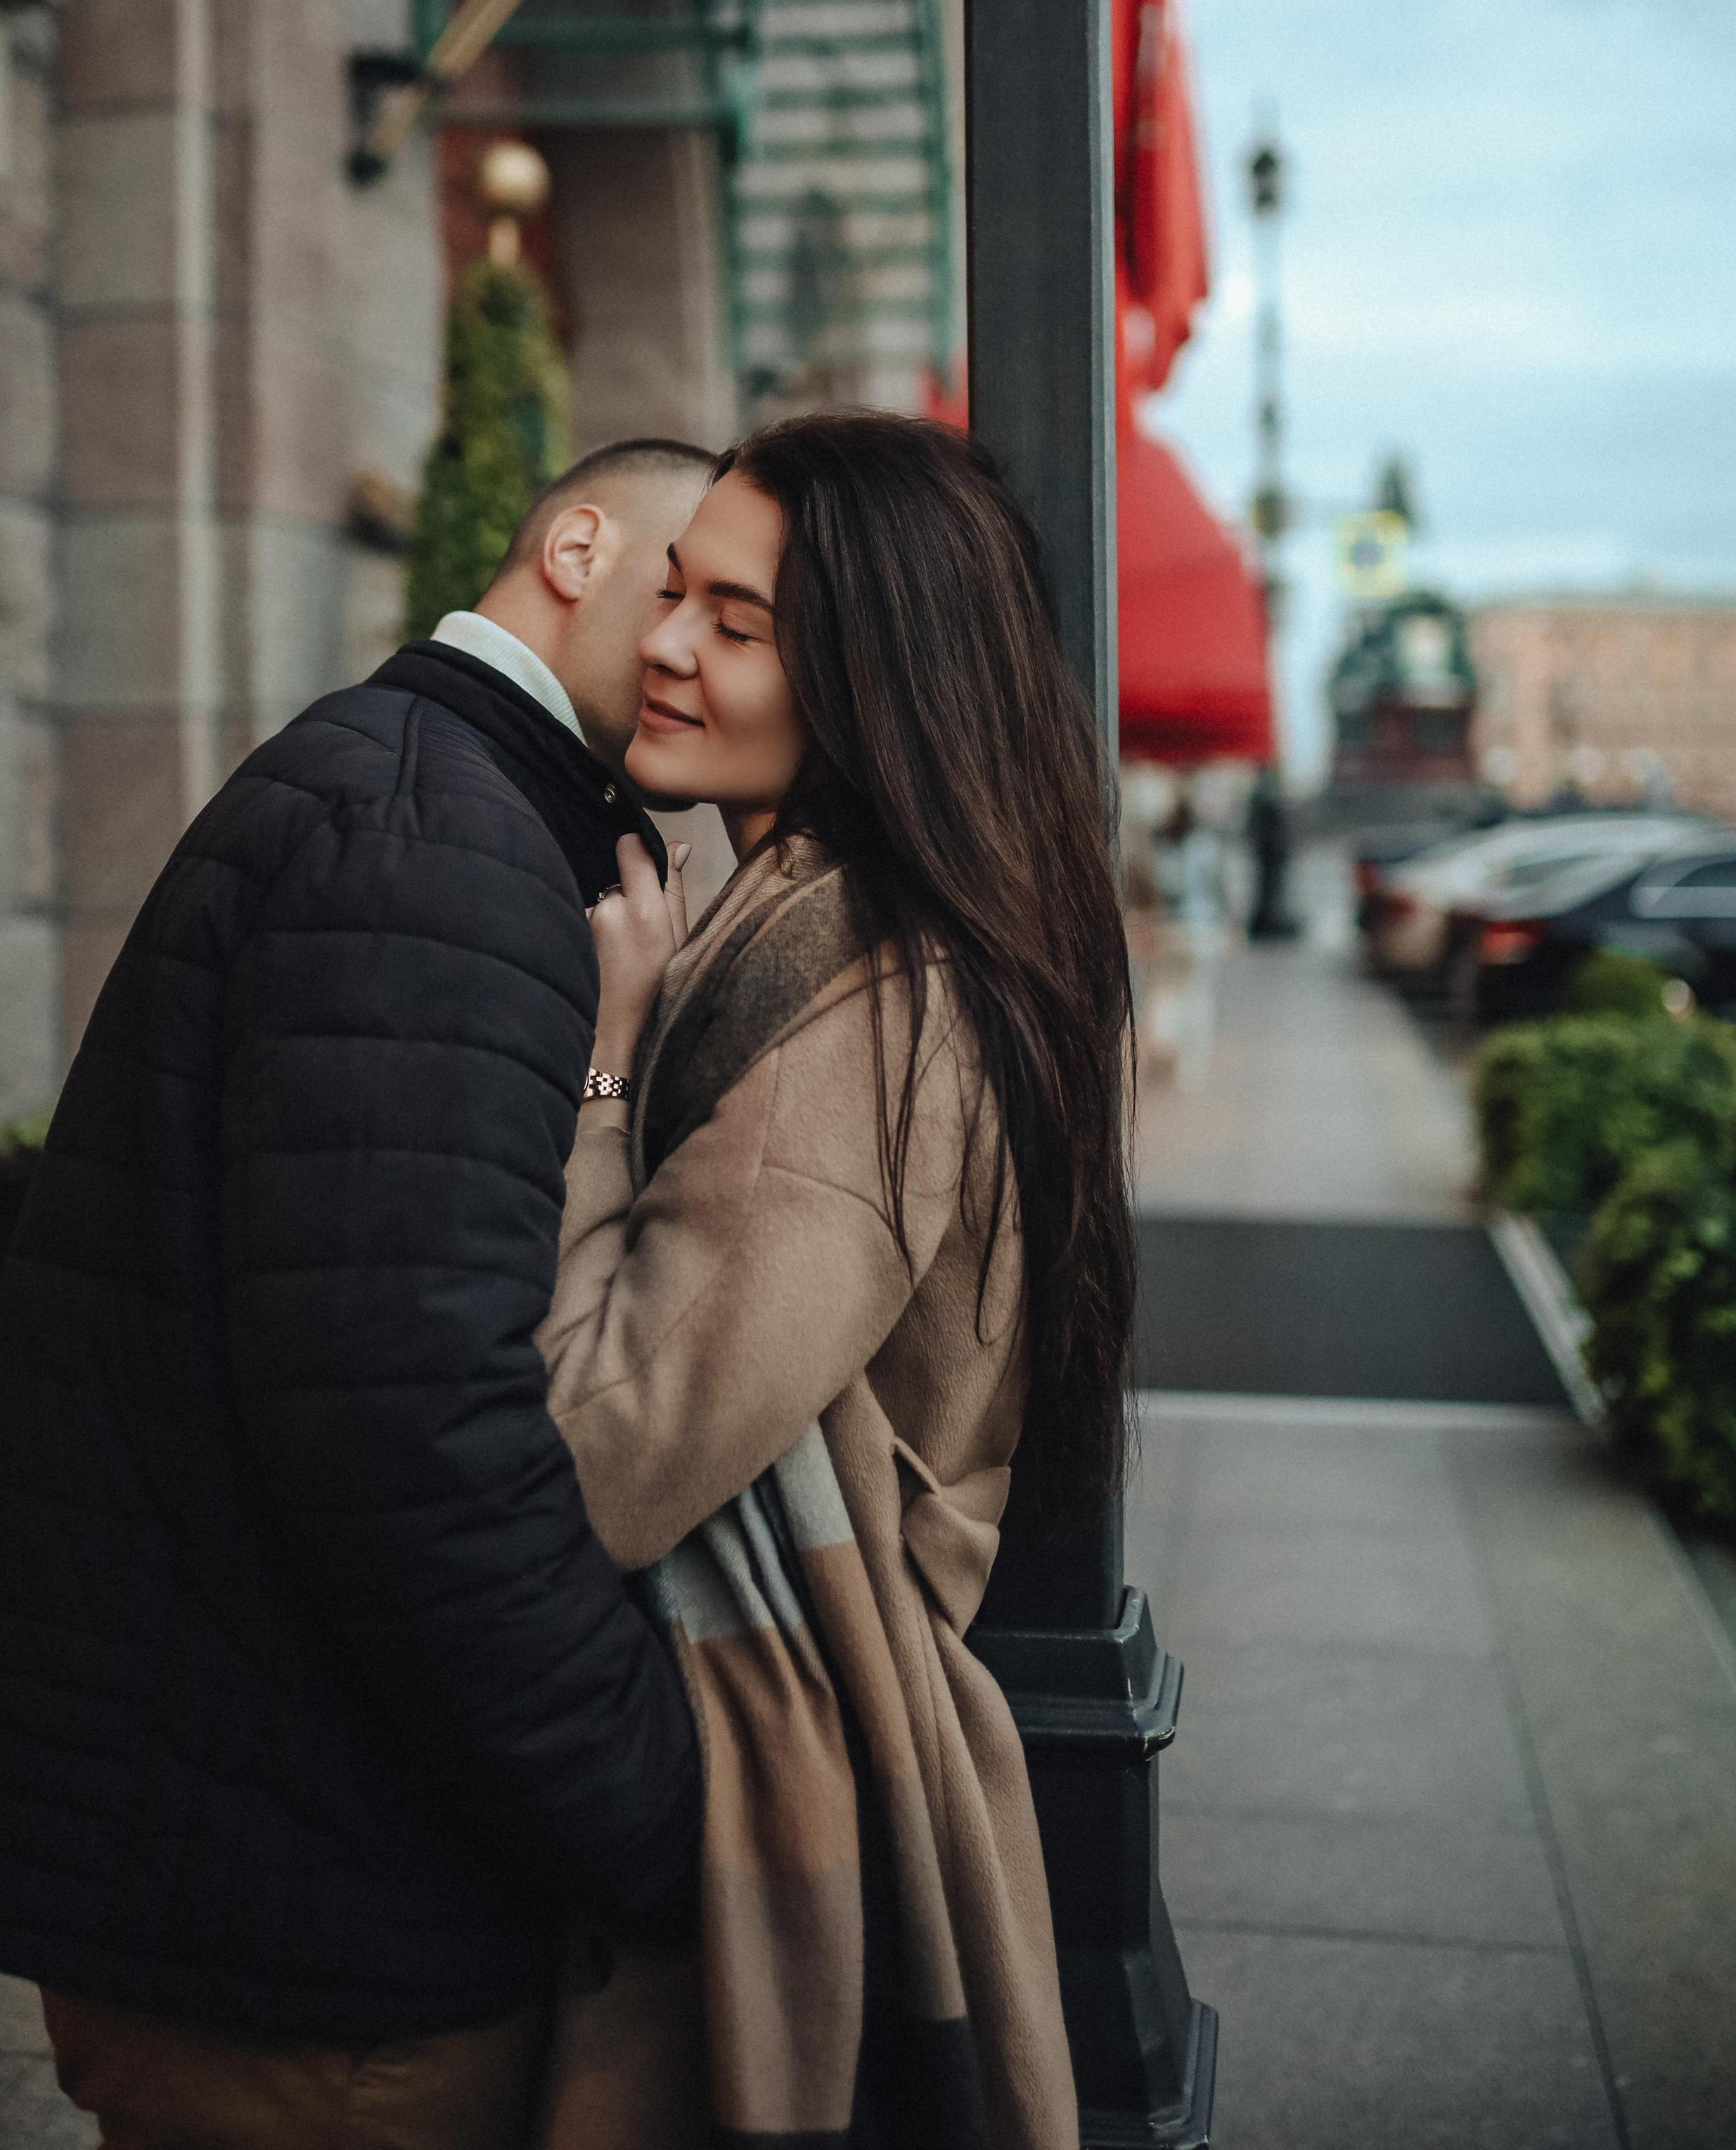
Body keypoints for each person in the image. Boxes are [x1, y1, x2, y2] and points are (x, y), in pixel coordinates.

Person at [0, 437, 715, 2150]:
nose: (702, 650)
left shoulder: (436, 798)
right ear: (577, 546)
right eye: (684, 589)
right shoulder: (439, 841)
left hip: (261, 1855)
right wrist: (656, 1804)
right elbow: (409, 1428)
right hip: (309, 1916)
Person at [534, 411, 1138, 2150]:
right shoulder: (848, 925)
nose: (663, 644)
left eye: (736, 624)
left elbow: (604, 1443)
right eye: (675, 593)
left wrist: (599, 1068)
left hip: (780, 1734)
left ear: (874, 678)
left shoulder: (862, 1009)